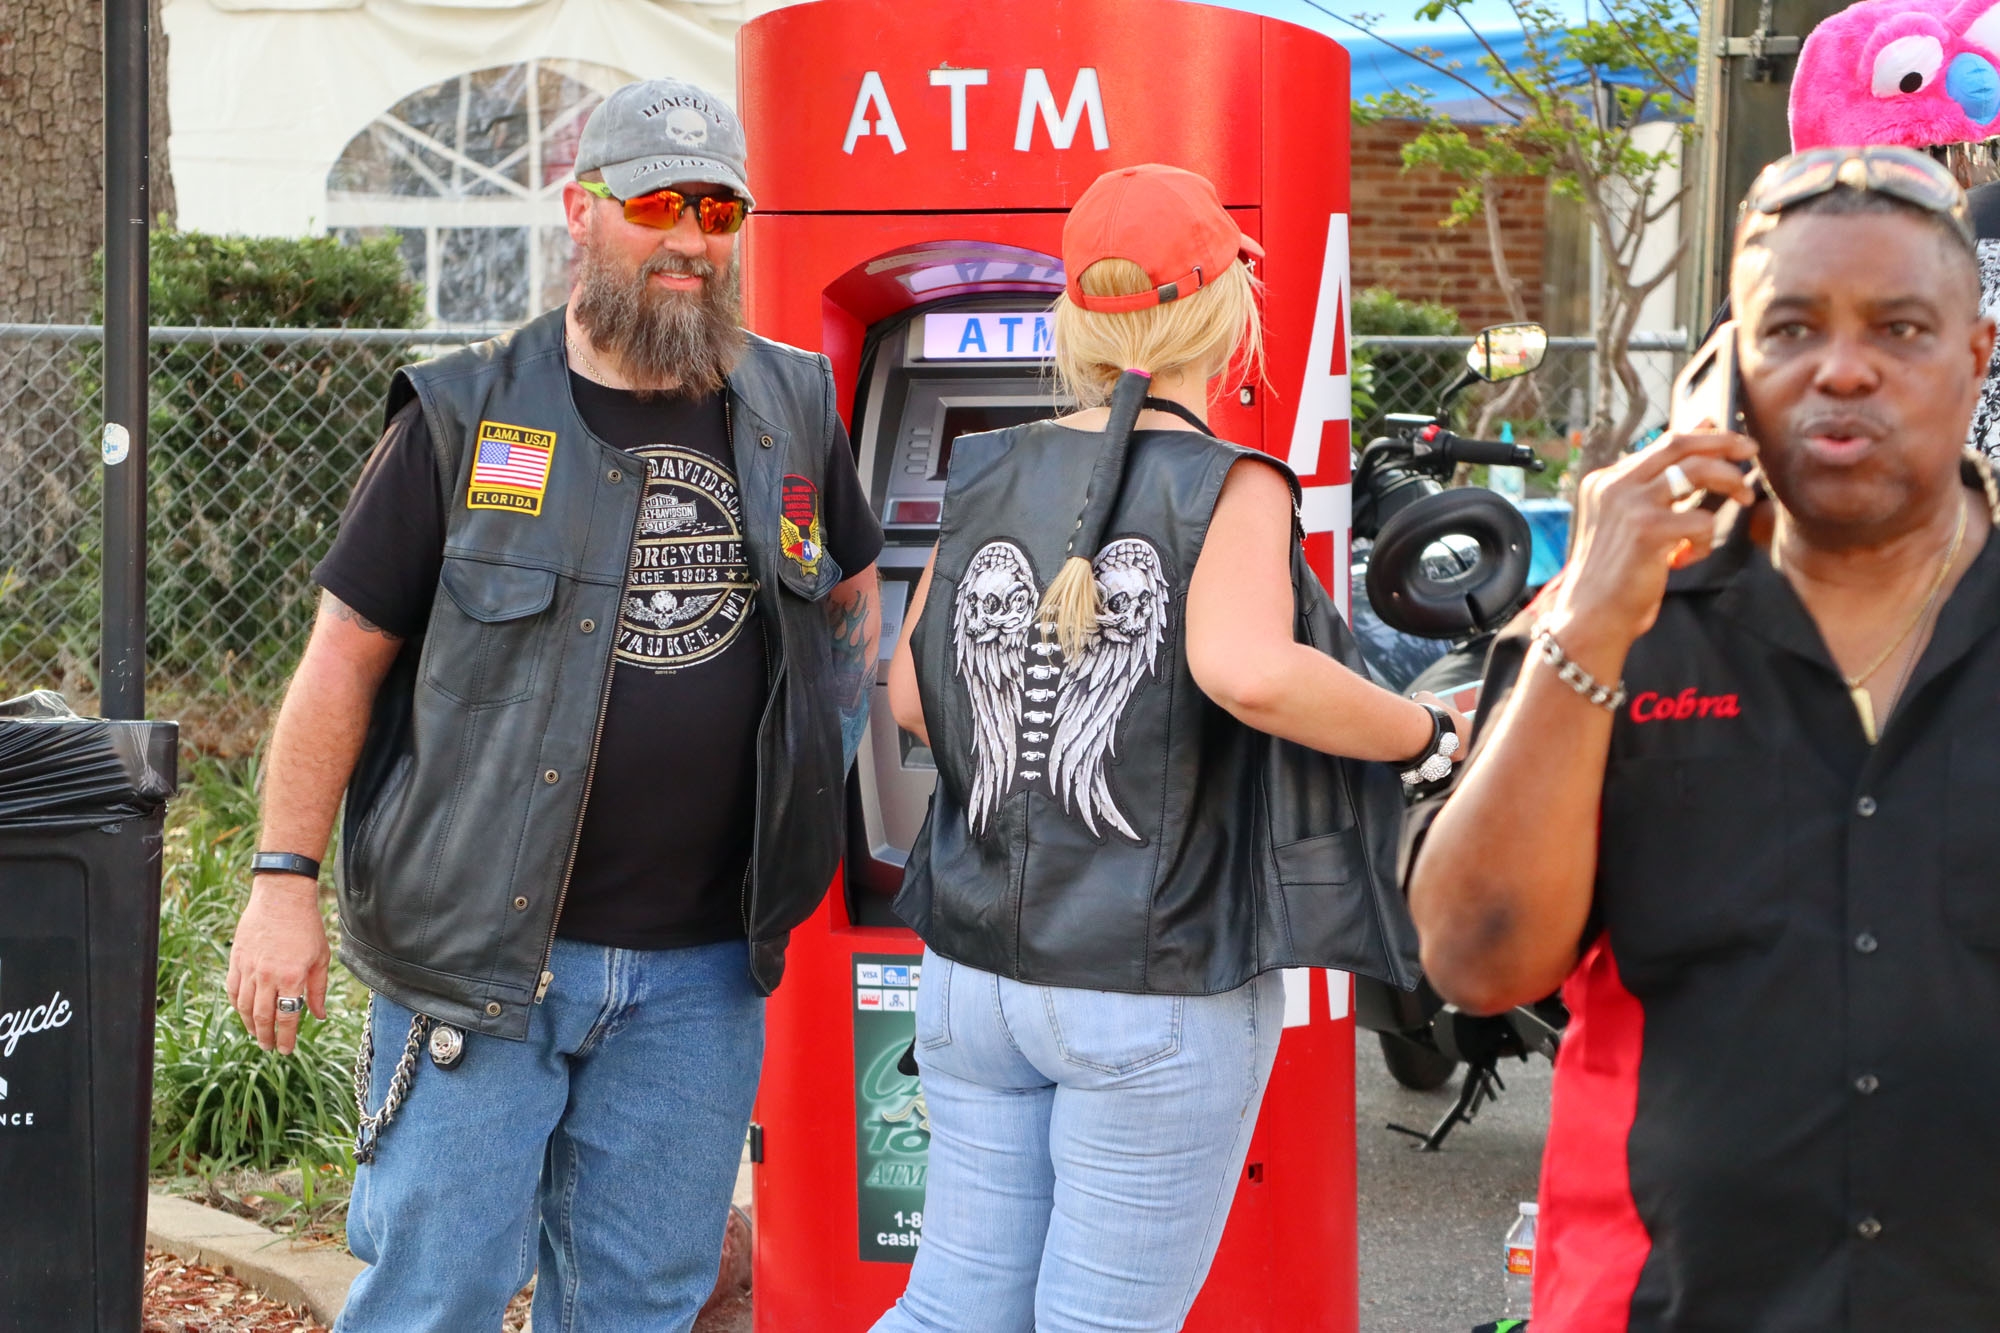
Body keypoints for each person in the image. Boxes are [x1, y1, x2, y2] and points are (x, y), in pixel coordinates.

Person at [223, 77, 882, 1331]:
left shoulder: (793, 402)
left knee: (642, 1298)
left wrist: (811, 773)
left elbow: (849, 604)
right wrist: (279, 879)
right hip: (481, 964)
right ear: (580, 210)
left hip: (701, 972)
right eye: (657, 204)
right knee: (439, 1291)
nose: (691, 238)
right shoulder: (465, 413)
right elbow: (342, 658)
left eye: (719, 208)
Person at [1408, 145, 2000, 1330]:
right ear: (1731, 359)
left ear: (1975, 354)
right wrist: (1588, 626)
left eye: (1898, 329)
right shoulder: (1615, 623)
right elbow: (1476, 960)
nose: (1841, 368)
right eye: (1789, 329)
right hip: (1661, 1303)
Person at [868, 163, 1466, 1333]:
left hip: (972, 973)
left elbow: (904, 695)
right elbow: (1249, 672)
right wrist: (1425, 731)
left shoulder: (985, 468)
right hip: (1151, 981)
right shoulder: (1229, 481)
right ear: (1222, 314)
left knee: (948, 1309)